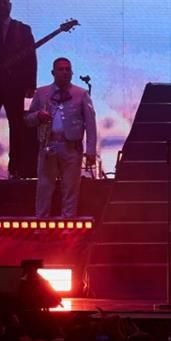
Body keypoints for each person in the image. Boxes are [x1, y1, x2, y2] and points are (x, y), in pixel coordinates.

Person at [25, 57, 97, 217]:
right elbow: (28, 120)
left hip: (71, 147)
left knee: (70, 188)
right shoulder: (42, 93)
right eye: (61, 69)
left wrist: (91, 150)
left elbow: (91, 124)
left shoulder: (81, 94)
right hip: (48, 145)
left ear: (71, 73)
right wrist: (38, 116)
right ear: (53, 72)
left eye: (67, 69)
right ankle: (41, 223)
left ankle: (68, 226)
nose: (65, 72)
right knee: (44, 187)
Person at [0, 0, 36, 179]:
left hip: (14, 85)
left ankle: (15, 168)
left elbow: (31, 58)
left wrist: (31, 83)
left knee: (17, 126)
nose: (3, 5)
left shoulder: (22, 30)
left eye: (5, 2)